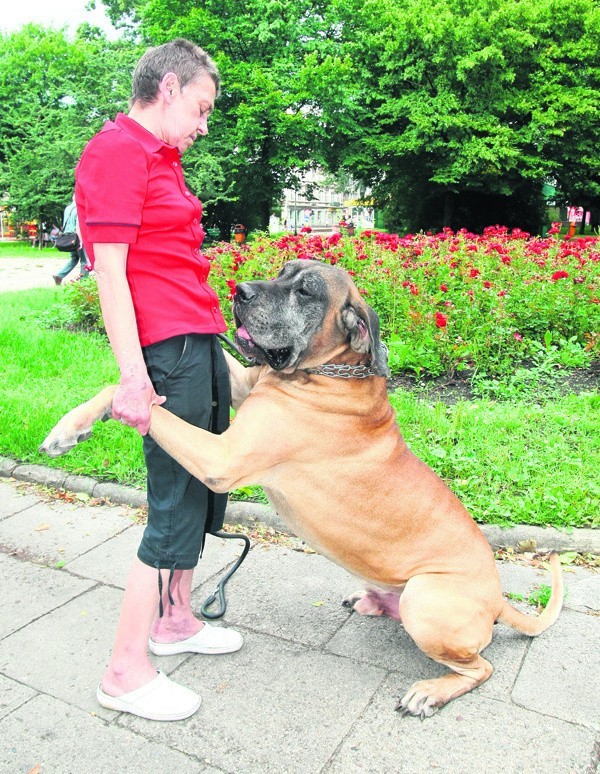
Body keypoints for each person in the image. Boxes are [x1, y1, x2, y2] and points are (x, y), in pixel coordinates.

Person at [74, 39, 243, 722]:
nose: (205, 124)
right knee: (172, 503)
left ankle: (176, 622)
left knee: (203, 490)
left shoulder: (161, 159)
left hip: (193, 338)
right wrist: (131, 378)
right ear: (168, 88)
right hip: (162, 349)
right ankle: (124, 669)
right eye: (201, 107)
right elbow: (109, 272)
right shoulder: (117, 151)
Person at [52, 196, 90, 285]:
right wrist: (81, 240)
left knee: (74, 258)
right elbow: (78, 226)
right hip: (76, 236)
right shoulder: (79, 209)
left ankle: (59, 275)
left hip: (69, 237)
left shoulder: (68, 208)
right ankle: (84, 281)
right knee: (84, 260)